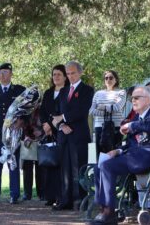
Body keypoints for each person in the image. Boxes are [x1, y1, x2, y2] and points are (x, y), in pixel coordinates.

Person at [90, 86, 150, 225]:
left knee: (107, 166)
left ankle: (109, 212)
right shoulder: (137, 117)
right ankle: (103, 207)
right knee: (99, 166)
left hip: (149, 157)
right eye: (132, 98)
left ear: (148, 100)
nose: (132, 100)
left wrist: (131, 126)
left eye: (136, 97)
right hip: (134, 155)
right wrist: (118, 151)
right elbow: (131, 142)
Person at [51, 61, 94, 210]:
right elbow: (55, 115)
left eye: (73, 73)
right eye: (68, 74)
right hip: (64, 136)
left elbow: (81, 112)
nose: (70, 76)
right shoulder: (63, 91)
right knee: (65, 170)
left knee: (79, 170)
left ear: (80, 73)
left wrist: (63, 118)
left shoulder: (87, 90)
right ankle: (65, 201)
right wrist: (62, 125)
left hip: (79, 137)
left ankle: (80, 202)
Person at [0, 63, 26, 204]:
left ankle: (14, 195)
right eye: (0, 73)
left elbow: (27, 110)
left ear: (11, 74)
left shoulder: (19, 90)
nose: (2, 75)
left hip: (13, 134)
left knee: (12, 164)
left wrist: (21, 121)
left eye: (5, 72)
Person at [39, 64, 69, 206]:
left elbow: (64, 112)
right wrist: (45, 125)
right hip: (48, 132)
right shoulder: (48, 92)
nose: (56, 77)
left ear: (65, 76)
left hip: (62, 131)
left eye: (59, 74)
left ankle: (60, 195)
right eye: (54, 74)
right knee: (49, 164)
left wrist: (51, 125)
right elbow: (43, 111)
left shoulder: (68, 91)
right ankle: (50, 196)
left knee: (61, 164)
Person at [89, 70, 126, 155]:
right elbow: (91, 110)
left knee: (114, 154)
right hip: (99, 127)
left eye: (111, 78)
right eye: (106, 78)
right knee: (100, 154)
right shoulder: (98, 93)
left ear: (115, 80)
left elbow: (117, 107)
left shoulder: (121, 92)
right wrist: (107, 110)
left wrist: (101, 107)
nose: (108, 80)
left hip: (115, 127)